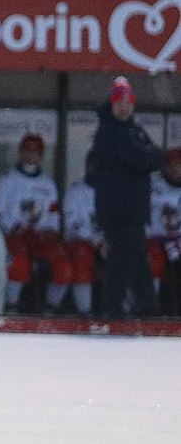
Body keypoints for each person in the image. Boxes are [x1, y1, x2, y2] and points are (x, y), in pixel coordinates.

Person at [92, 76, 163, 319]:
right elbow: (145, 158)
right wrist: (150, 157)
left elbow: (153, 156)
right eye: (119, 102)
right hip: (118, 210)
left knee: (139, 262)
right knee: (122, 263)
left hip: (134, 210)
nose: (124, 107)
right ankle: (111, 313)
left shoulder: (132, 127)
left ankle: (148, 310)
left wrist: (150, 157)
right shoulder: (109, 131)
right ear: (111, 104)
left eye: (128, 102)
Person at [0, 133, 71, 313]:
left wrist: (50, 230)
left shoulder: (47, 183)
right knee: (18, 263)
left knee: (64, 266)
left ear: (40, 154)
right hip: (15, 236)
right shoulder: (7, 180)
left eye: (35, 151)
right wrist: (14, 226)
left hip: (42, 237)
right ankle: (11, 306)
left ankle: (51, 308)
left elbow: (53, 214)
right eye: (27, 150)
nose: (30, 155)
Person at [61, 149, 102, 316]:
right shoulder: (75, 191)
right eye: (92, 164)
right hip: (81, 242)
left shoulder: (116, 192)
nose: (96, 168)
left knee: (127, 255)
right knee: (82, 256)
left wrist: (109, 240)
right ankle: (84, 312)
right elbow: (72, 225)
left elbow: (121, 224)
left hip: (108, 243)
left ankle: (124, 312)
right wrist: (96, 239)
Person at [145, 147, 181, 315]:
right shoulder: (154, 184)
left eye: (179, 165)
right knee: (153, 260)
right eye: (171, 165)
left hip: (177, 241)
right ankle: (150, 309)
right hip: (154, 238)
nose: (175, 169)